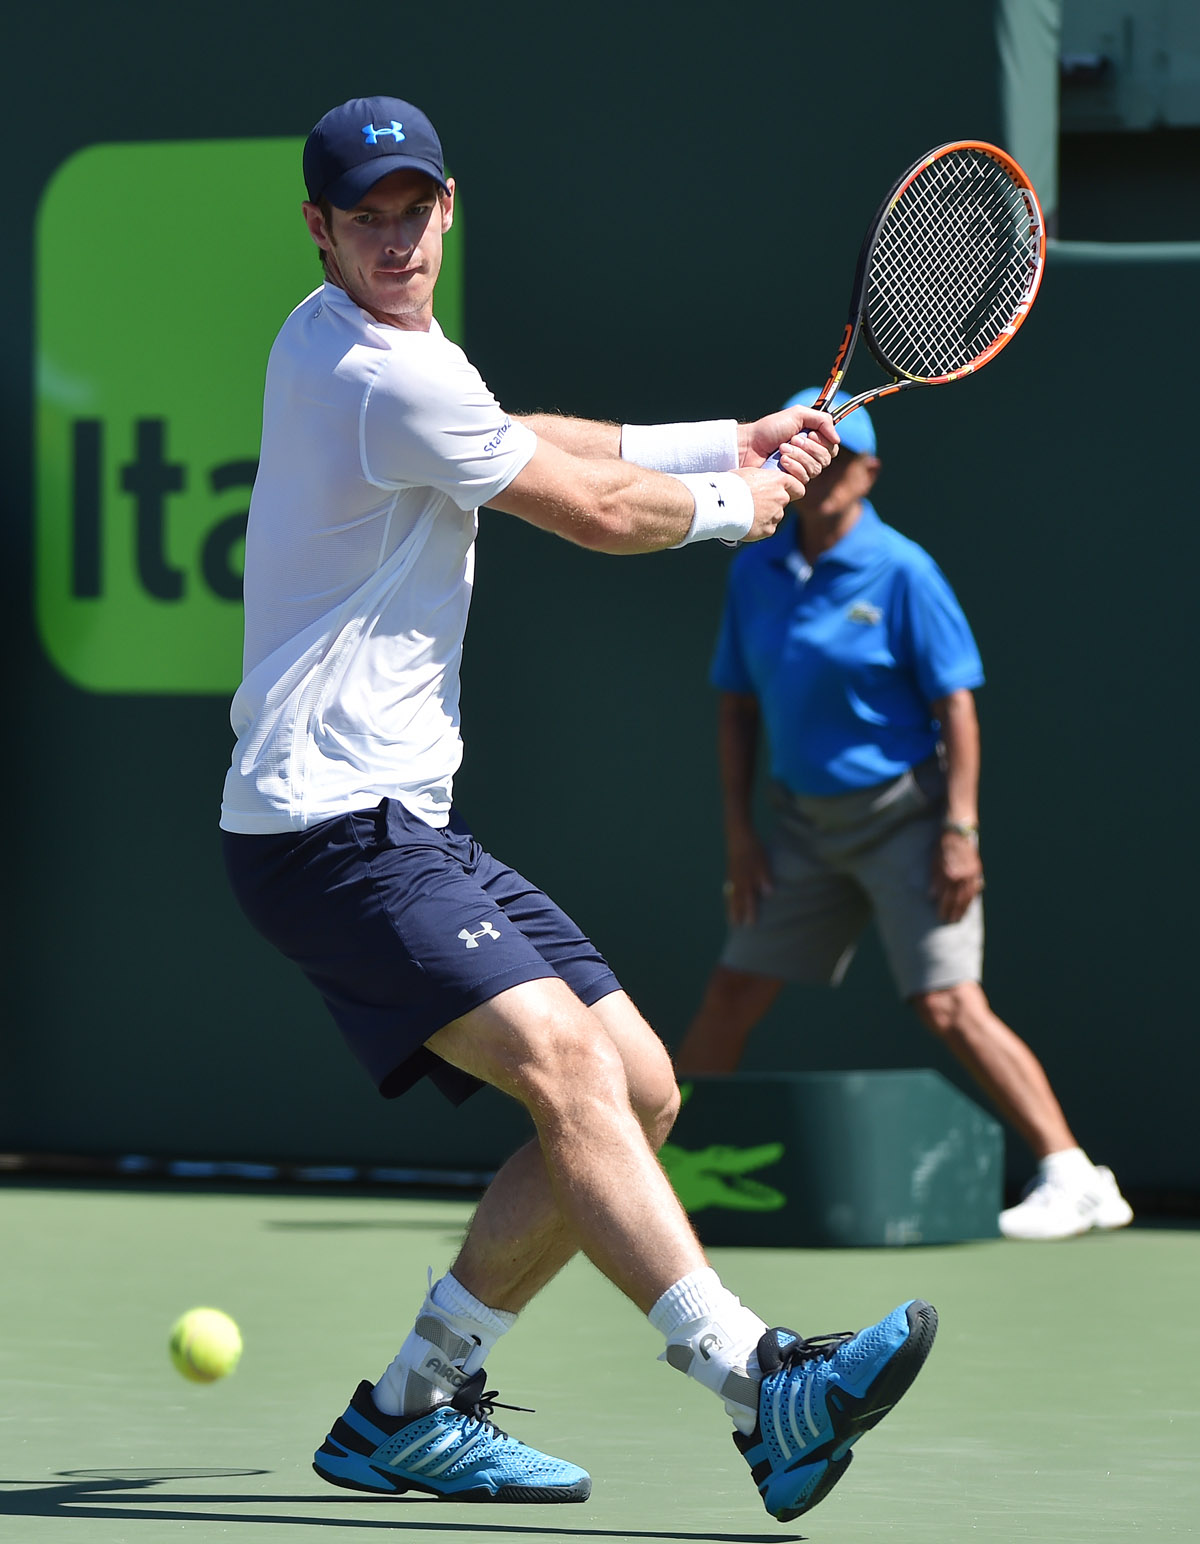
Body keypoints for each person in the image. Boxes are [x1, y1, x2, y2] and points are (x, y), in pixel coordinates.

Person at [218, 97, 938, 1520]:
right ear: (318, 227)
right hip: (325, 828)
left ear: (448, 206)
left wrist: (726, 441)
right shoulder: (373, 371)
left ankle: (406, 1410)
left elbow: (516, 436)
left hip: (403, 821)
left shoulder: (366, 345)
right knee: (565, 1065)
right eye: (364, 216)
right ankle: (760, 1383)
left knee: (642, 1086)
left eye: (415, 208)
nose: (395, 238)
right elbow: (590, 512)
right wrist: (741, 506)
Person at [674, 388, 1133, 1244]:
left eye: (842, 460)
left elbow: (957, 706)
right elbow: (737, 707)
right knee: (733, 990)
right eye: (807, 456)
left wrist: (960, 830)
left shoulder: (904, 571)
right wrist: (742, 836)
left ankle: (1076, 1176)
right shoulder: (754, 568)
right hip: (801, 828)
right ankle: (666, 1172)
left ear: (870, 472)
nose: (823, 474)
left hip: (905, 821)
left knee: (948, 1003)